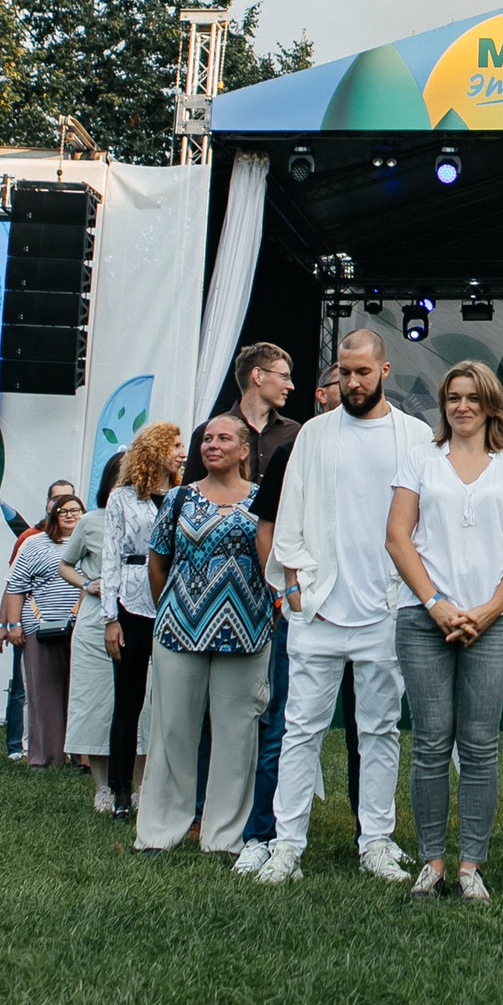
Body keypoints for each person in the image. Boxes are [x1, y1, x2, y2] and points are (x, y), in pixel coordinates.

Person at [253, 330, 425, 885]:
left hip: (385, 610)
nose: (352, 382)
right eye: (344, 372)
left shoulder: (416, 436)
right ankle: (286, 847)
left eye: (362, 372)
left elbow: (424, 525)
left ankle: (375, 842)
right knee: (300, 731)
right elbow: (291, 509)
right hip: (319, 610)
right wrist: (293, 585)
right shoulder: (314, 435)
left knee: (379, 732)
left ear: (384, 370)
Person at [386, 359, 503, 903]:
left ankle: (471, 866)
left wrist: (491, 609)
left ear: (490, 404)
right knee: (429, 744)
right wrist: (436, 604)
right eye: (453, 397)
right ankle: (431, 864)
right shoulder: (419, 460)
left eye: (473, 397)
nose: (462, 406)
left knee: (479, 746)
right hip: (423, 619)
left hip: (494, 623)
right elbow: (398, 538)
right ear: (444, 404)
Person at [136, 416, 272, 853]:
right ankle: (160, 830)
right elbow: (158, 564)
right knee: (172, 732)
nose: (213, 445)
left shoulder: (264, 501)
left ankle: (225, 836)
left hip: (247, 633)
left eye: (224, 438)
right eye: (207, 439)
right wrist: (173, 611)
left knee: (237, 736)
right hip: (179, 631)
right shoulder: (177, 498)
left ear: (244, 449)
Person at [227, 341, 313, 856]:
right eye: (283, 375)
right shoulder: (217, 430)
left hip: (296, 593)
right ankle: (231, 819)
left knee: (284, 710)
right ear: (257, 377)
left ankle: (281, 817)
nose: (292, 386)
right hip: (233, 589)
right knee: (243, 710)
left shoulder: (297, 435)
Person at [101, 423, 181, 816]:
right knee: (128, 700)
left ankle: (165, 788)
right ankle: (120, 791)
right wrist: (109, 618)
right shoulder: (122, 499)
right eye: (174, 445)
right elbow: (110, 556)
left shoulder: (185, 496)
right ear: (155, 451)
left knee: (171, 702)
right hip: (132, 602)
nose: (182, 452)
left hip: (173, 601)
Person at [58, 453, 137, 811]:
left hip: (138, 616)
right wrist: (87, 583)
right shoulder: (90, 522)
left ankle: (136, 787)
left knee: (143, 705)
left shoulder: (152, 514)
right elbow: (65, 564)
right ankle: (103, 787)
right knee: (95, 703)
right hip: (94, 624)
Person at [0, 491, 84, 767]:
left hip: (82, 627)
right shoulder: (34, 544)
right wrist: (12, 625)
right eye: (64, 511)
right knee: (44, 693)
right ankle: (46, 758)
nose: (71, 515)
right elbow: (15, 586)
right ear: (53, 515)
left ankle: (82, 757)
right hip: (40, 627)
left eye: (76, 510)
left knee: (82, 693)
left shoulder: (94, 542)